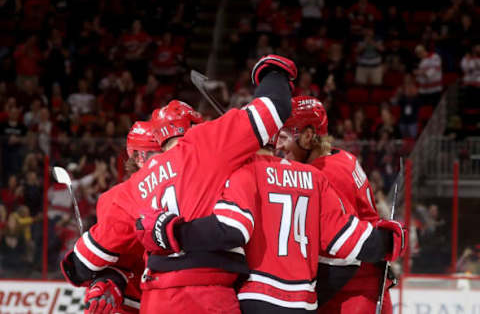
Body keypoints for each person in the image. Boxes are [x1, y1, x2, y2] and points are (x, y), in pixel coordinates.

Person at [63, 54, 298, 314]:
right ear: (195, 127)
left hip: (156, 300)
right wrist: (273, 71)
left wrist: (94, 275)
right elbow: (275, 107)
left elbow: (84, 262)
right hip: (210, 295)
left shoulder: (131, 188)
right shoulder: (205, 144)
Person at [138, 149, 407, 313]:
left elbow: (230, 229)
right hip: (302, 304)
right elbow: (350, 244)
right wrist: (391, 238)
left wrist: (172, 231)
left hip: (255, 300)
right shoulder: (314, 177)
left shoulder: (245, 172)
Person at [275, 96, 396, 314]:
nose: (278, 145)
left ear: (308, 136)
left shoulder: (324, 174)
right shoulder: (340, 157)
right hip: (359, 285)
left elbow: (341, 250)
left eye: (283, 137)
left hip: (353, 292)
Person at [61, 120, 163, 313]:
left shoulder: (119, 196)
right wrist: (106, 281)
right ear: (139, 157)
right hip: (146, 300)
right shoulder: (118, 197)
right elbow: (120, 261)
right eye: (160, 152)